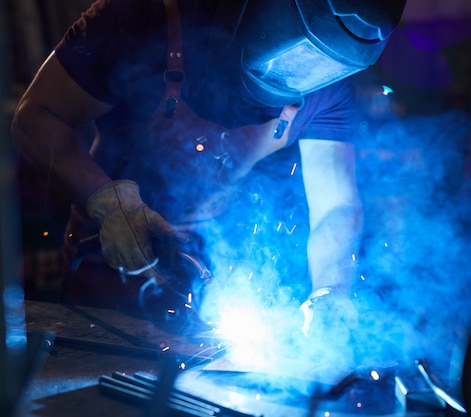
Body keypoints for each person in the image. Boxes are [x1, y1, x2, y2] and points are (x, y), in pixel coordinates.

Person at [11, 0, 406, 331]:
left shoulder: (330, 78)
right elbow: (35, 118)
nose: (304, 77)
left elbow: (335, 206)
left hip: (219, 286)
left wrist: (331, 292)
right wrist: (109, 204)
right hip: (107, 280)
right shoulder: (142, 16)